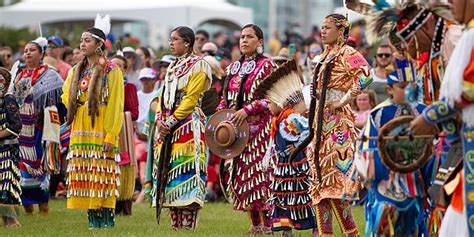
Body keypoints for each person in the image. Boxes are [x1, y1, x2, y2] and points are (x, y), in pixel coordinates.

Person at [295, 14, 372, 236]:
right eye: (322, 27)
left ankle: (352, 233)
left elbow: (366, 77)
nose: (323, 31)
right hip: (319, 122)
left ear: (341, 31)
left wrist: (345, 99)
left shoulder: (348, 53)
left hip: (338, 123)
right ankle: (325, 233)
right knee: (319, 180)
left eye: (328, 27)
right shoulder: (323, 56)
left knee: (337, 180)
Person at [62, 14, 124, 228]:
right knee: (87, 173)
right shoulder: (76, 70)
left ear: (99, 44)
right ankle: (92, 222)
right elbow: (65, 94)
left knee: (102, 173)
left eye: (87, 40)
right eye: (81, 40)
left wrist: (111, 134)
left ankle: (106, 222)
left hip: (102, 125)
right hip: (81, 126)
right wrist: (76, 105)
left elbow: (116, 102)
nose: (82, 44)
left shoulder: (112, 70)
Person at [357, 63, 431, 236]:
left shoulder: (424, 112)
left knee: (415, 222)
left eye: (412, 86)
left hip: (417, 179)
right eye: (403, 87)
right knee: (386, 220)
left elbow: (433, 147)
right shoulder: (379, 113)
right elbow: (366, 147)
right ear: (389, 89)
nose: (409, 91)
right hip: (386, 180)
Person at [151, 26, 211, 230]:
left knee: (187, 169)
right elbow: (162, 95)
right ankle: (176, 224)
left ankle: (188, 225)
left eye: (174, 39)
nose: (171, 43)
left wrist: (170, 121)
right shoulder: (172, 67)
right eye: (170, 39)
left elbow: (191, 98)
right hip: (169, 124)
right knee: (170, 171)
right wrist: (160, 118)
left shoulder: (200, 65)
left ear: (187, 42)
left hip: (187, 126)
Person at [219, 24, 274, 235]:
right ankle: (254, 224)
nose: (244, 40)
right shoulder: (233, 68)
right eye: (242, 37)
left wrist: (248, 109)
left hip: (259, 130)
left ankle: (268, 225)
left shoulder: (266, 66)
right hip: (236, 130)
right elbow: (226, 98)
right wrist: (220, 116)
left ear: (260, 41)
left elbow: (271, 98)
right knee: (242, 177)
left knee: (259, 176)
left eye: (249, 37)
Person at [255, 59, 316, 237]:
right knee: (282, 196)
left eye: (271, 103)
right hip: (282, 166)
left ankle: (316, 227)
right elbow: (274, 143)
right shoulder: (277, 120)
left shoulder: (291, 118)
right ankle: (285, 229)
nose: (268, 107)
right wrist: (269, 156)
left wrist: (297, 146)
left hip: (297, 165)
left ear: (281, 103)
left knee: (302, 195)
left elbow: (309, 130)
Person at [9, 36, 65, 216]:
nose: (27, 53)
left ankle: (43, 208)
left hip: (40, 128)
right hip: (21, 129)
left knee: (40, 165)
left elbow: (61, 101)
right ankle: (28, 208)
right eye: (25, 51)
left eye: (32, 50)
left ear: (41, 53)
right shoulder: (19, 75)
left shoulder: (50, 75)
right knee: (22, 167)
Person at [110, 54, 139, 216]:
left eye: (119, 65)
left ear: (125, 69)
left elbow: (134, 113)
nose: (115, 68)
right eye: (112, 65)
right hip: (107, 130)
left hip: (123, 131)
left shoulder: (129, 87)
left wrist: (115, 115)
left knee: (124, 166)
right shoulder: (103, 86)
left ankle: (124, 205)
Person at [0, 67, 22, 228]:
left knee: (7, 182)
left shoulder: (9, 99)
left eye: (0, 80)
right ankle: (5, 220)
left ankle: (12, 221)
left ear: (6, 83)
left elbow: (16, 126)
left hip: (8, 149)